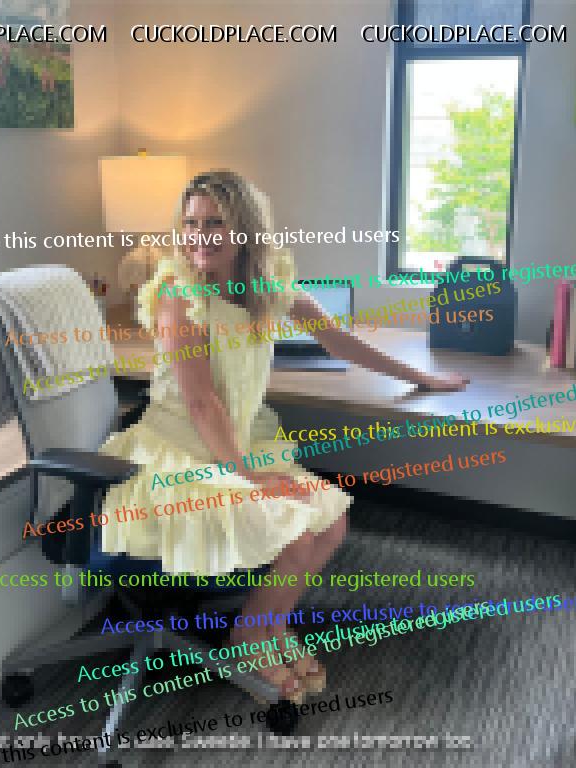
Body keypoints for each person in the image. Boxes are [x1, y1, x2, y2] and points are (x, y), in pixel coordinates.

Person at [100, 170, 468, 704]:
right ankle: (247, 640)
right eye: (191, 223)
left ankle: (269, 624)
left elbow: (339, 341)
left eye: (215, 223)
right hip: (180, 452)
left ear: (245, 230)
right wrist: (248, 476)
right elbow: (201, 402)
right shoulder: (179, 294)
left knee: (331, 522)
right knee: (294, 536)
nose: (199, 237)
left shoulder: (266, 290)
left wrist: (423, 378)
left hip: (234, 443)